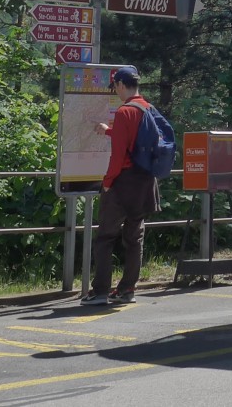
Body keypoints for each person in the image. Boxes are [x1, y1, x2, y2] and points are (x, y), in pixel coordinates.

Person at [79, 65, 162, 307]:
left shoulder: (124, 111)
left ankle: (101, 291)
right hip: (146, 182)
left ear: (122, 85)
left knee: (105, 236)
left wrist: (107, 183)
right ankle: (127, 289)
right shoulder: (149, 108)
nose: (115, 90)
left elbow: (118, 155)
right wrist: (108, 132)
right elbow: (135, 141)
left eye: (115, 86)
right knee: (135, 237)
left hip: (122, 181)